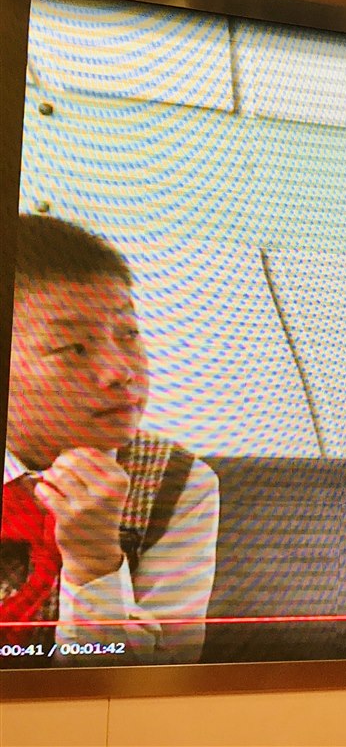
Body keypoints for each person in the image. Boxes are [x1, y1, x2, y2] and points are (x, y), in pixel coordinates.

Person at [2, 214, 219, 665]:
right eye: (75, 348)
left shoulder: (177, 485)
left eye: (128, 335)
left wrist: (95, 564)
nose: (120, 372)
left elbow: (162, 678)